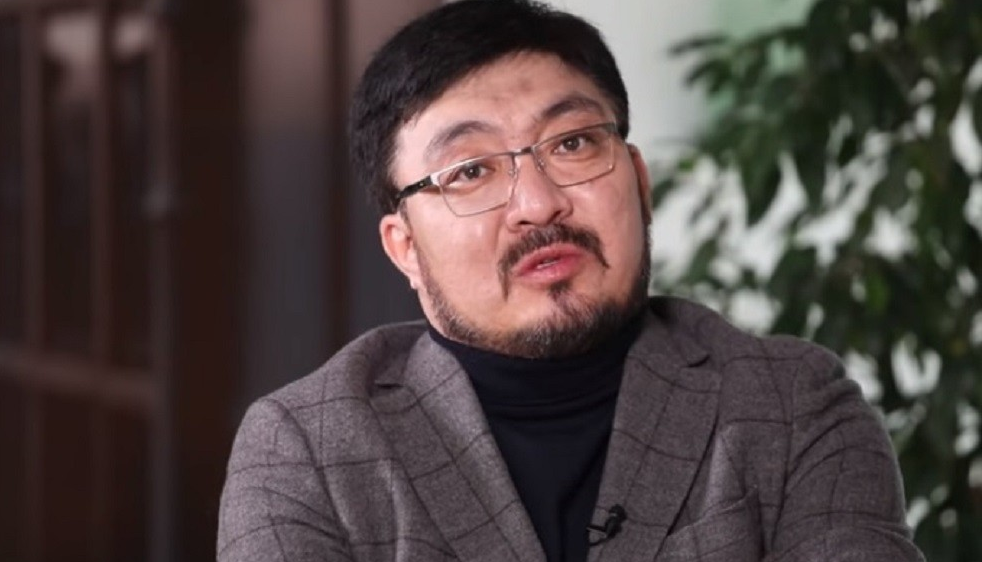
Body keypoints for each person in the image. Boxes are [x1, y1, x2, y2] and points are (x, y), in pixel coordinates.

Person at [217, 1, 924, 561]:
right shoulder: (307, 448)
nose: (538, 204)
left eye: (574, 143)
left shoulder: (792, 406)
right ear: (404, 247)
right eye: (470, 171)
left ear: (639, 182)